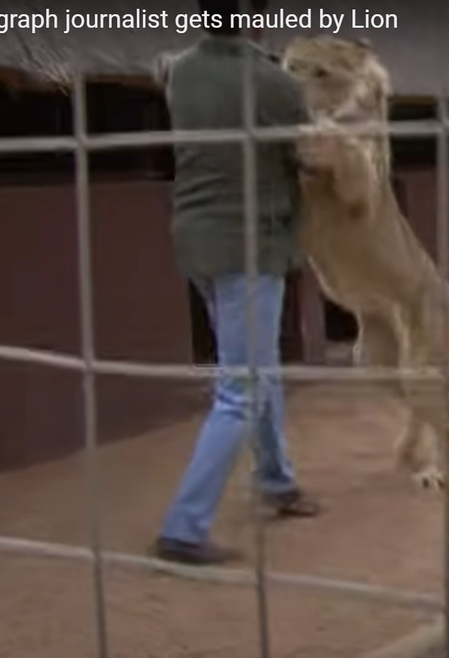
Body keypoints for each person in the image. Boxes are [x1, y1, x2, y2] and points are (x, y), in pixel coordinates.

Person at [153, 0, 320, 566]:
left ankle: (277, 480)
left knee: (255, 364)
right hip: (250, 244)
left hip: (196, 239)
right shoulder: (275, 82)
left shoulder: (179, 68)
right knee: (240, 390)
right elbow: (312, 155)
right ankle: (184, 526)